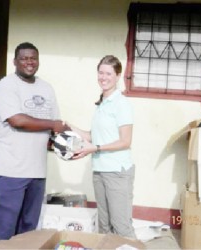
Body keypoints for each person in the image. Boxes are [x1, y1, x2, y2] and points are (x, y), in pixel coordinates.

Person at [0, 42, 69, 247]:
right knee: (4, 235)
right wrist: (53, 125)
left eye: (33, 58)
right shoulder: (6, 86)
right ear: (15, 61)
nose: (29, 62)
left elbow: (54, 131)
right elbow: (18, 121)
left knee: (28, 233)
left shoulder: (46, 88)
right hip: (9, 173)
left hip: (37, 174)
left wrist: (66, 147)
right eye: (24, 58)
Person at [70, 55, 136, 238]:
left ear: (118, 76)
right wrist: (68, 126)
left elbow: (125, 141)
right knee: (104, 226)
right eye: (100, 72)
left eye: (108, 73)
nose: (103, 77)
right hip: (99, 170)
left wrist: (95, 148)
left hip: (117, 172)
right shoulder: (102, 104)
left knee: (121, 227)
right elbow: (93, 136)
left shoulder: (121, 104)